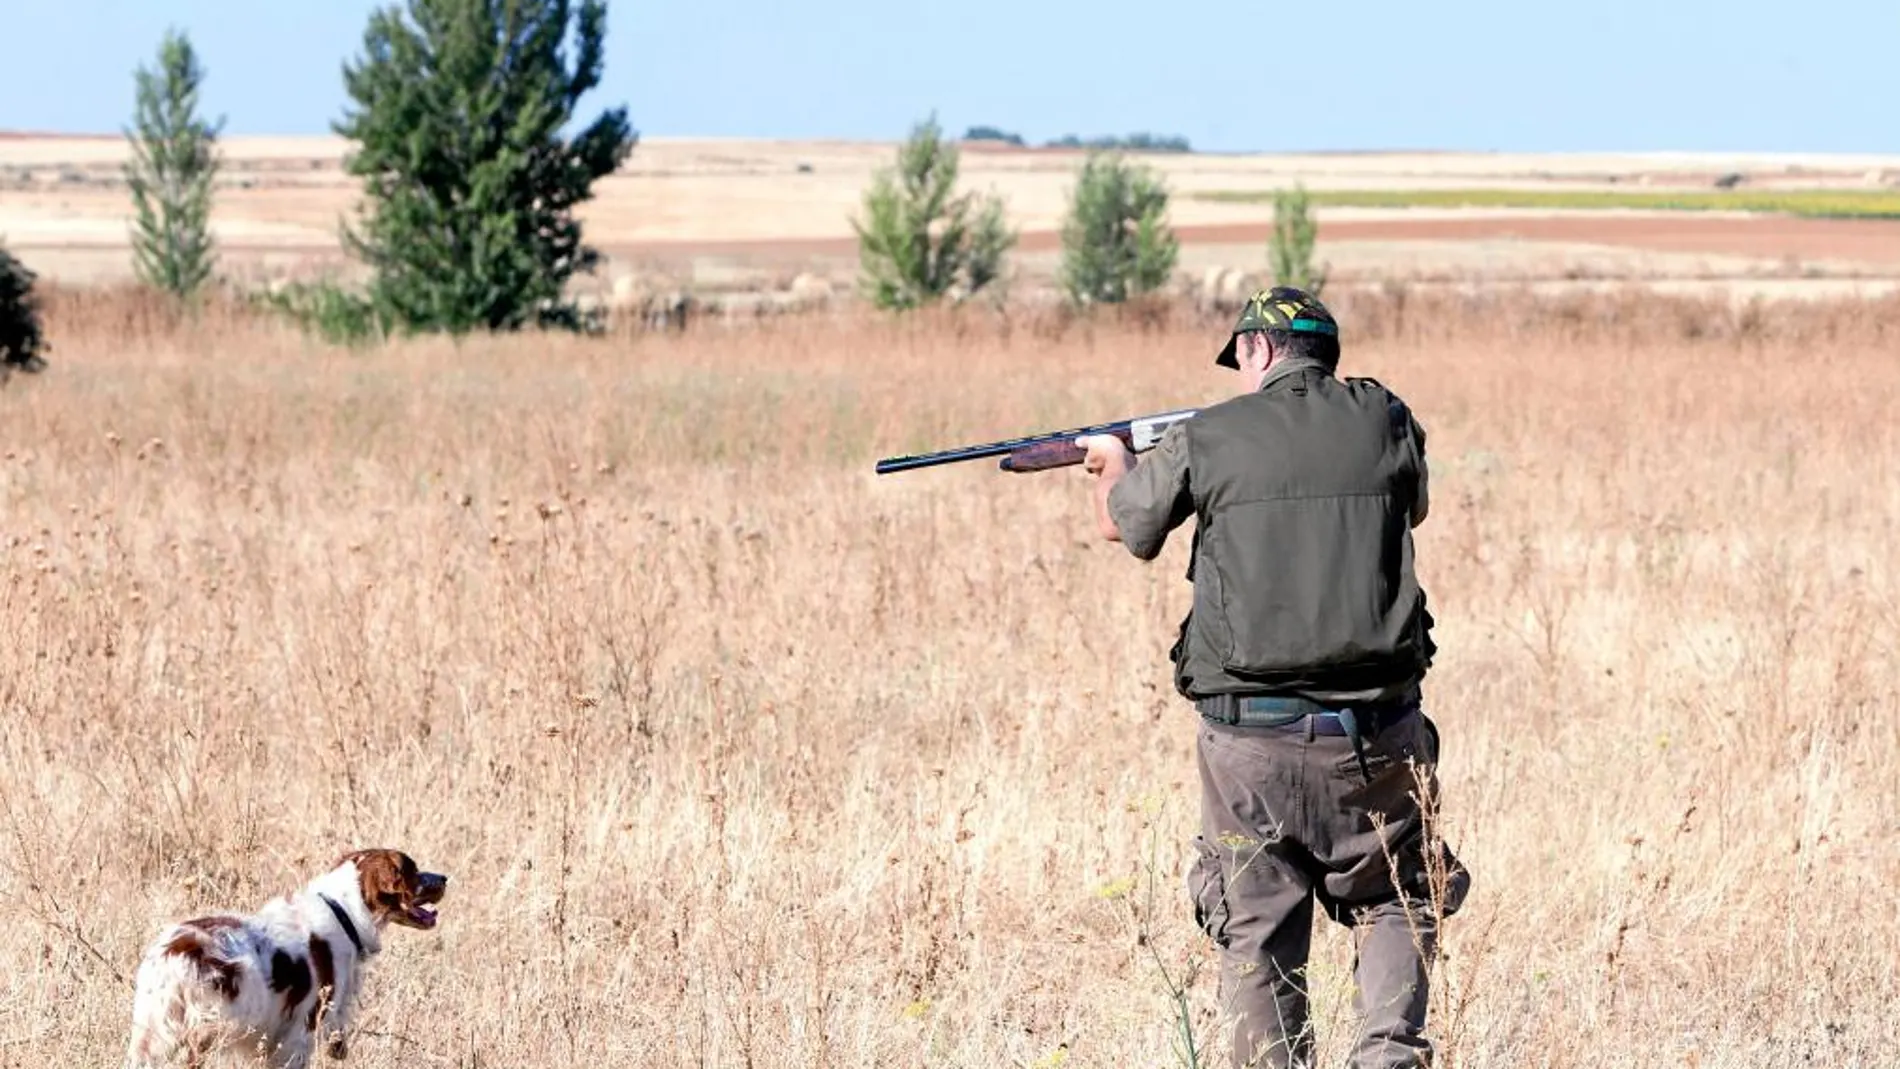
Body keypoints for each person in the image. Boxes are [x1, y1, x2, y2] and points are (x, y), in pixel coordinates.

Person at [1077, 287, 1470, 1069]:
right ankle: (1390, 1057)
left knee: (1257, 921)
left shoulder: (1208, 434)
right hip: (1377, 733)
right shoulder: (1385, 417)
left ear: (1256, 352)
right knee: (1396, 893)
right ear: (1326, 353)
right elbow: (1413, 503)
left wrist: (1113, 464)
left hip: (1248, 738)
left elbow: (1129, 526)